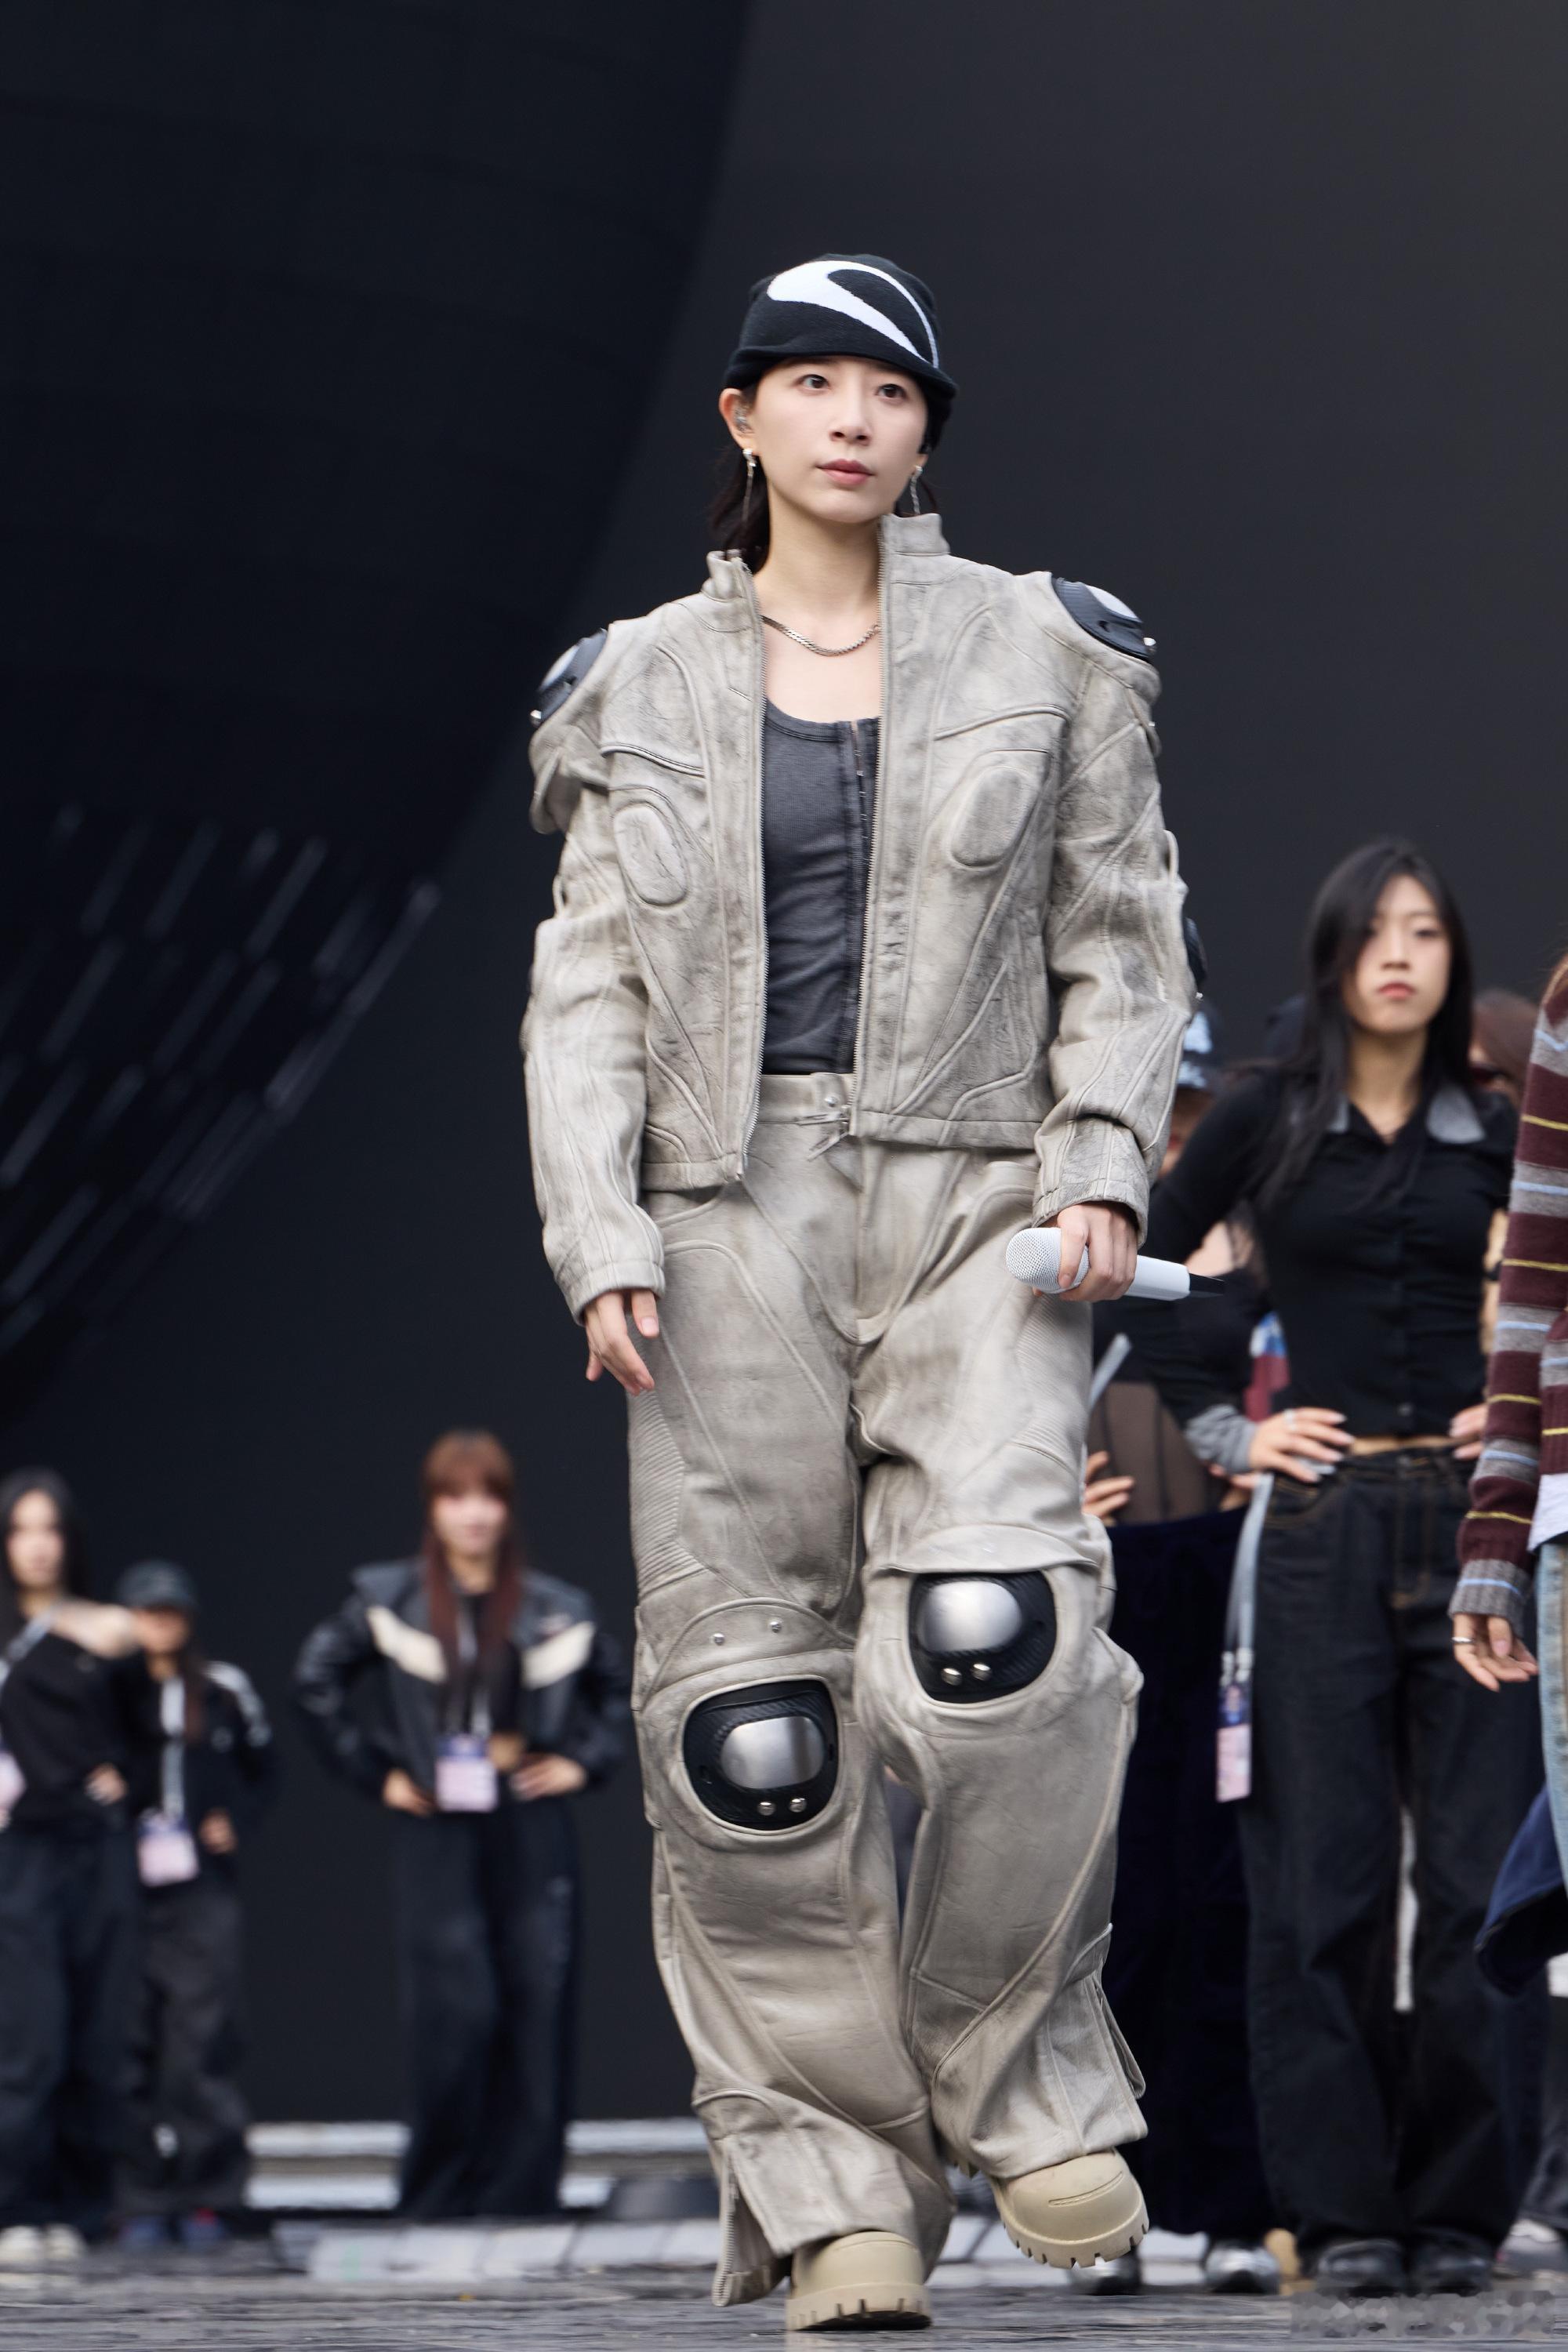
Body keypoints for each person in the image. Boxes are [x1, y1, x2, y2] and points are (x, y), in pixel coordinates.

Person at [523, 251, 1193, 2328]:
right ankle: (835, 2191)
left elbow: (1124, 929)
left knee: (1000, 1639)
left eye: (886, 391)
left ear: (924, 435)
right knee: (753, 1729)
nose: (848, 418)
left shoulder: (1044, 649)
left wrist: (1101, 1152)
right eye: (808, 383)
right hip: (719, 1213)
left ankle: (1023, 2077)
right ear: (742, 418)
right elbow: (584, 990)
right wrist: (598, 1233)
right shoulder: (636, 682)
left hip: (978, 1189)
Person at [1120, 840, 1537, 2298]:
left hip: (1477, 1528)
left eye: (1426, 932)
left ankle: (1462, 2215)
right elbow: (1146, 1268)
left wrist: (1526, 1413)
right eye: (1376, 934)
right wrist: (1232, 1430)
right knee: (1321, 1886)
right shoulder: (1267, 1116)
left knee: (1480, 1888)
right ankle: (1345, 2211)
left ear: (1453, 959)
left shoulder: (1499, 1125)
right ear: (1335, 957)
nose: (1400, 957)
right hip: (1321, 1528)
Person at [293, 1429, 629, 2221]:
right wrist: (378, 1772)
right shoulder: (392, 1600)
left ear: (507, 1508)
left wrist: (582, 1760)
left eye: (487, 1497)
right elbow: (315, 1680)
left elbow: (622, 1691)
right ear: (433, 1508)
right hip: (438, 1825)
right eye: (455, 1497)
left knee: (536, 1999)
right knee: (457, 2006)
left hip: (528, 1820)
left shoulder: (554, 1608)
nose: (472, 1514)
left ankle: (523, 2194)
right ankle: (440, 2193)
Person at [1080, 1018, 1279, 2298]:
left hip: (1246, 1593)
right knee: (1122, 1907)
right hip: (1116, 1594)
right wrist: (1056, 1502)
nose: (1175, 1141)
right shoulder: (1090, 1246)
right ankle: (1115, 2204)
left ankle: (1235, 2209)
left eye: (1194, 1116)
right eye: (1161, 1120)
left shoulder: (1272, 1255)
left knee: (1236, 1900)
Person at [113, 1560, 276, 2246]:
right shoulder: (107, 1690)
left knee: (200, 2037)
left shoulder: (222, 1688)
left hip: (199, 1884)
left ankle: (211, 2190)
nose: (160, 1625)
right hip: (122, 1884)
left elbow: (264, 1769)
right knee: (126, 2038)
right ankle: (138, 2193)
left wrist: (234, 1819)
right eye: (147, 1613)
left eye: (170, 1612)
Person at [0, 1468, 138, 2264]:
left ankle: (85, 2209)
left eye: (50, 1528)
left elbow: (149, 1725)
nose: (38, 1546)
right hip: (22, 1850)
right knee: (31, 2032)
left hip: (98, 1847)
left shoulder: (104, 1630)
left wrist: (127, 1779)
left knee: (99, 2030)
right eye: (21, 1529)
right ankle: (18, 2205)